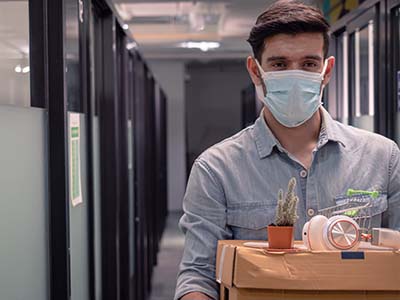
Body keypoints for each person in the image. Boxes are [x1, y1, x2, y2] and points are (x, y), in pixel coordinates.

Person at [174, 1, 400, 299]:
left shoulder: (381, 157)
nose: (295, 75)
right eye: (279, 64)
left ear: (326, 70)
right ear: (256, 71)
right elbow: (198, 276)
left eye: (308, 64)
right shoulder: (216, 168)